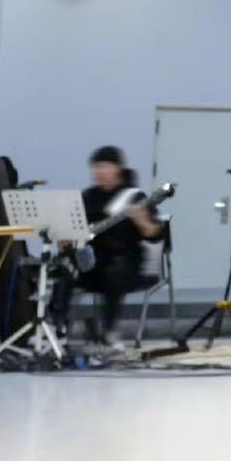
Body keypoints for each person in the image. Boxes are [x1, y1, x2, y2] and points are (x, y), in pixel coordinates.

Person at [78, 145, 162, 349]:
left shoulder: (135, 197)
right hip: (93, 261)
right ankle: (57, 329)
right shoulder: (88, 196)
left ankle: (109, 331)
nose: (99, 172)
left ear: (117, 169)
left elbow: (156, 234)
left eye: (104, 166)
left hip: (126, 262)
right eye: (96, 167)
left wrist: (142, 221)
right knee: (63, 268)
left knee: (115, 272)